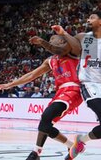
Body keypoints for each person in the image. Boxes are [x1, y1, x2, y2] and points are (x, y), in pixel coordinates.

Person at [0, 35, 82, 160]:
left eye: (53, 39)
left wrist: (42, 42)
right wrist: (10, 84)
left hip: (74, 88)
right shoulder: (50, 60)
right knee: (44, 124)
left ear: (62, 41)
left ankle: (35, 153)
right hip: (61, 92)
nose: (50, 41)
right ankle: (71, 146)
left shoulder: (71, 51)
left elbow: (59, 50)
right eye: (49, 40)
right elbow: (31, 75)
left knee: (46, 118)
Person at [38, 11, 101, 159]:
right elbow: (72, 50)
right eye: (88, 16)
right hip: (90, 84)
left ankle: (80, 141)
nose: (88, 19)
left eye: (92, 17)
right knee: (47, 119)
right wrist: (63, 33)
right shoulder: (85, 38)